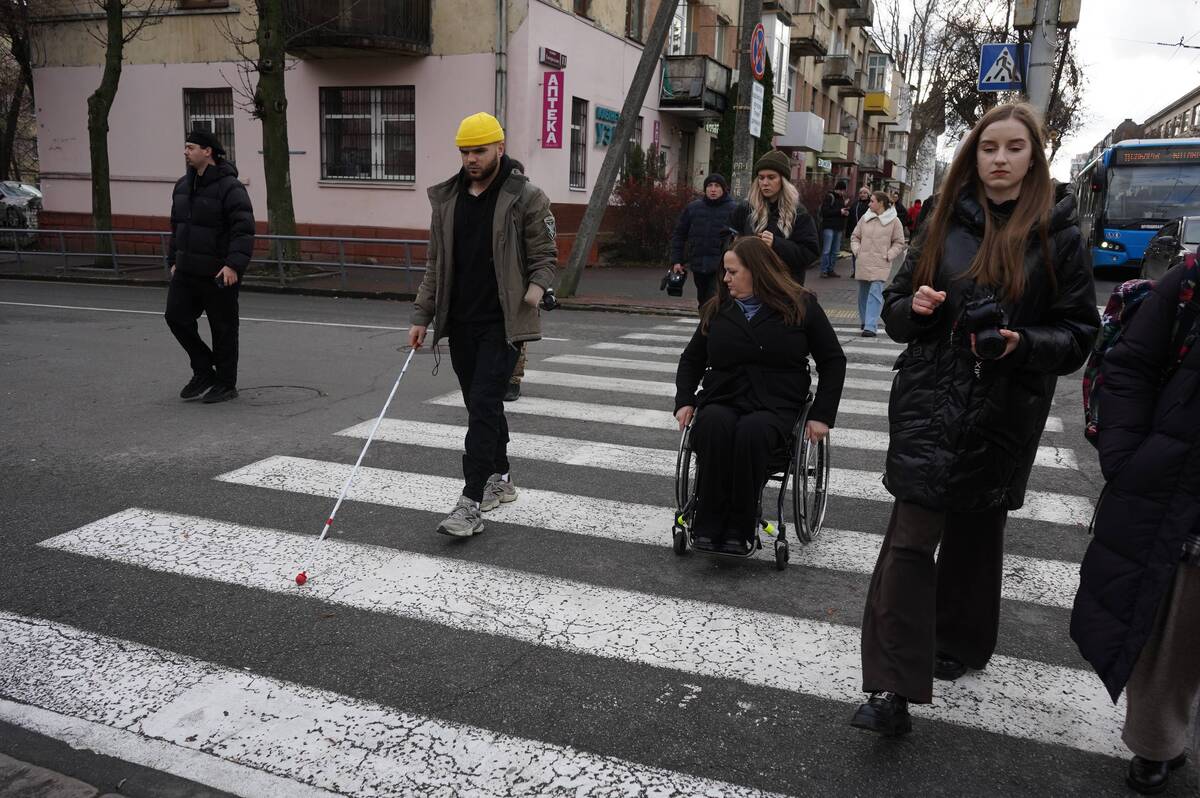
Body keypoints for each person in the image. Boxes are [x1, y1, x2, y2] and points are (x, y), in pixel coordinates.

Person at [849, 102, 1100, 737]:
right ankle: (890, 688)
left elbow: (1078, 334)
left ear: (1034, 157)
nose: (1000, 159)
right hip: (930, 403)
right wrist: (918, 308)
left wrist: (1021, 343)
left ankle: (960, 640)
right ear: (973, 154)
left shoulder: (1059, 233)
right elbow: (895, 310)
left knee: (976, 535)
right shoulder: (940, 216)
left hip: (1003, 411)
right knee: (909, 542)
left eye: (1014, 147)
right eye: (989, 147)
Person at [1071, 257, 1200, 795]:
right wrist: (1127, 457)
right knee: (1177, 623)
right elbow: (1129, 365)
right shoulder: (1191, 280)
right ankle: (1156, 739)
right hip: (1184, 483)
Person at [409, 112, 557, 537]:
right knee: (482, 405)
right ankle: (501, 476)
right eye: (465, 152)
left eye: (479, 151)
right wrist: (422, 315)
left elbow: (546, 256)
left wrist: (534, 292)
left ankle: (470, 502)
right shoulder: (448, 199)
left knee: (484, 402)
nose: (471, 159)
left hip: (503, 323)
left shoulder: (526, 197)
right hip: (461, 321)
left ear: (499, 147)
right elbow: (435, 265)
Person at [673, 236, 846, 554]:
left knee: (752, 433)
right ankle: (707, 524)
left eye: (732, 272)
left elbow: (833, 361)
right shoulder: (718, 308)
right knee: (712, 425)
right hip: (724, 397)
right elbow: (692, 359)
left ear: (757, 271)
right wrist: (684, 399)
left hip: (775, 403)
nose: (725, 279)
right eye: (725, 272)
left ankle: (740, 528)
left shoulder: (800, 305)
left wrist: (822, 415)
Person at [164, 129, 255, 404]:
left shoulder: (231, 187)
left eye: (191, 147)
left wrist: (233, 265)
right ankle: (204, 369)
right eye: (186, 147)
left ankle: (226, 384)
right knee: (175, 317)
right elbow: (177, 227)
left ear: (208, 151)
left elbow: (243, 229)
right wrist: (173, 260)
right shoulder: (182, 186)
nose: (185, 152)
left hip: (219, 273)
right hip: (186, 270)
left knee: (223, 329)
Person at [731, 151, 819, 286]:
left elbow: (810, 253)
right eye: (761, 178)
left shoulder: (799, 213)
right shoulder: (746, 209)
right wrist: (735, 244)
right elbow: (725, 236)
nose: (765, 183)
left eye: (771, 177)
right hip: (750, 285)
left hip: (784, 288)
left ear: (783, 180)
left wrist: (776, 243)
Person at [669, 173, 739, 307]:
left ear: (724, 189)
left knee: (714, 300)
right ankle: (706, 319)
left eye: (717, 186)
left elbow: (741, 237)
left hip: (721, 266)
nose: (713, 189)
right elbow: (679, 234)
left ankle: (711, 320)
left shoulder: (733, 209)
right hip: (698, 265)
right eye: (710, 186)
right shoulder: (693, 208)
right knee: (703, 300)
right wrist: (677, 260)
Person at [850, 191, 906, 338]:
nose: (869, 204)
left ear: (881, 203)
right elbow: (855, 237)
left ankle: (871, 326)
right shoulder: (865, 218)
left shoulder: (894, 221)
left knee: (875, 293)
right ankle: (865, 321)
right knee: (863, 294)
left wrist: (889, 255)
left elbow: (899, 242)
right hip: (863, 261)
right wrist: (857, 251)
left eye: (872, 201)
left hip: (881, 262)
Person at [818, 179, 849, 278]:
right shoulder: (830, 197)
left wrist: (845, 213)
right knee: (827, 250)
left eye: (844, 191)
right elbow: (825, 212)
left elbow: (839, 212)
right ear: (838, 189)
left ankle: (831, 269)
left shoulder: (841, 198)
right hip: (829, 227)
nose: (843, 192)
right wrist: (840, 211)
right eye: (842, 190)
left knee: (835, 251)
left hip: (838, 228)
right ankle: (824, 270)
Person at [845, 186, 871, 278]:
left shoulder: (871, 204)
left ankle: (864, 271)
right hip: (856, 231)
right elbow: (850, 218)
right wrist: (848, 232)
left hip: (867, 232)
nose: (862, 195)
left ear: (868, 194)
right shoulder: (855, 204)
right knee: (855, 251)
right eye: (861, 193)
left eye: (865, 193)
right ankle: (856, 270)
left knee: (865, 252)